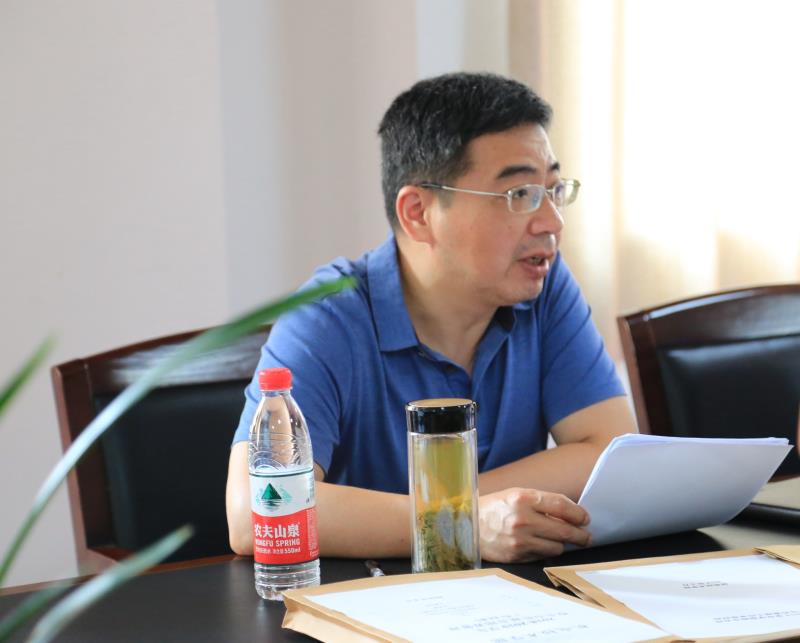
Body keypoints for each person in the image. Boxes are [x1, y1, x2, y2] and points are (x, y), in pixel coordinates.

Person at [226, 72, 637, 563]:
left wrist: (463, 509)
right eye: (519, 195)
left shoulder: (542, 287)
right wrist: (460, 522)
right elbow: (257, 513)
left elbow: (613, 452)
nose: (552, 222)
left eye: (553, 190)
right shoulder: (325, 318)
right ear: (418, 213)